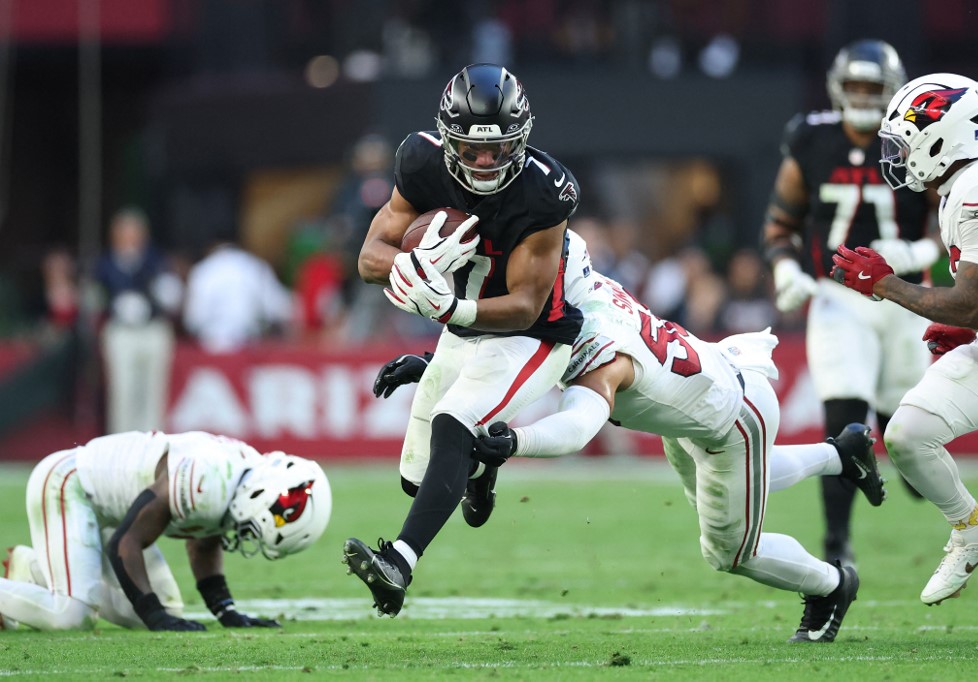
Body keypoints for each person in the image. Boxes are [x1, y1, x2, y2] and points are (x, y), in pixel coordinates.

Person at [375, 231, 884, 643]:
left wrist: (515, 443)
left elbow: (581, 422)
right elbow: (515, 355)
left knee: (728, 550)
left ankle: (832, 585)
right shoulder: (580, 294)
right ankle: (841, 454)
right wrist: (430, 365)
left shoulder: (598, 339)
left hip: (731, 418)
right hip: (688, 410)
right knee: (723, 490)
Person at [342, 63, 583, 618]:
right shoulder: (421, 161)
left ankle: (398, 565)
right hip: (462, 328)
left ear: (521, 139)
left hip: (533, 336)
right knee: (417, 481)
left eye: (497, 150)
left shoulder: (546, 191)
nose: (483, 162)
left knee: (453, 420)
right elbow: (368, 256)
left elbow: (525, 302)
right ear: (447, 140)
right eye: (470, 151)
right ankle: (482, 464)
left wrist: (448, 304)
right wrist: (412, 266)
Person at [830, 72, 978, 605]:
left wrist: (884, 283)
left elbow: (971, 302)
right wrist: (965, 326)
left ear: (944, 138)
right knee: (908, 434)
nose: (898, 154)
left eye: (907, 141)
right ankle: (972, 527)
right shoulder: (963, 187)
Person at [760, 39, 936, 566]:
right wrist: (785, 267)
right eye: (855, 86)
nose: (862, 96)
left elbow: (951, 222)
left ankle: (924, 484)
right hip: (839, 298)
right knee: (843, 420)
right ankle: (836, 545)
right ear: (838, 88)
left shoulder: (916, 140)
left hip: (905, 301)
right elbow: (779, 225)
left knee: (909, 436)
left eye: (873, 88)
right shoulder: (812, 139)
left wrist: (921, 247)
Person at [0, 431, 332, 631]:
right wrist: (152, 613)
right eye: (262, 528)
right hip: (70, 484)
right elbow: (125, 542)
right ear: (263, 497)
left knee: (166, 609)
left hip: (113, 511)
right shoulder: (211, 477)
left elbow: (203, 543)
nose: (250, 538)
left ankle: (33, 572)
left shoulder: (240, 477)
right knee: (72, 616)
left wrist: (225, 610)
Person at [92, 207, 182, 433]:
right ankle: (121, 443)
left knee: (153, 390)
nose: (130, 238)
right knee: (123, 389)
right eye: (125, 233)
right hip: (122, 332)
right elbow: (95, 298)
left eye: (135, 233)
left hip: (152, 329)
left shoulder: (156, 260)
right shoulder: (104, 264)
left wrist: (163, 294)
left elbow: (171, 294)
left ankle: (152, 445)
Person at [182, 234, 294, 354]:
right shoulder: (255, 266)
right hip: (250, 345)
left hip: (211, 347)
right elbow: (278, 308)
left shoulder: (202, 270)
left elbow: (193, 318)